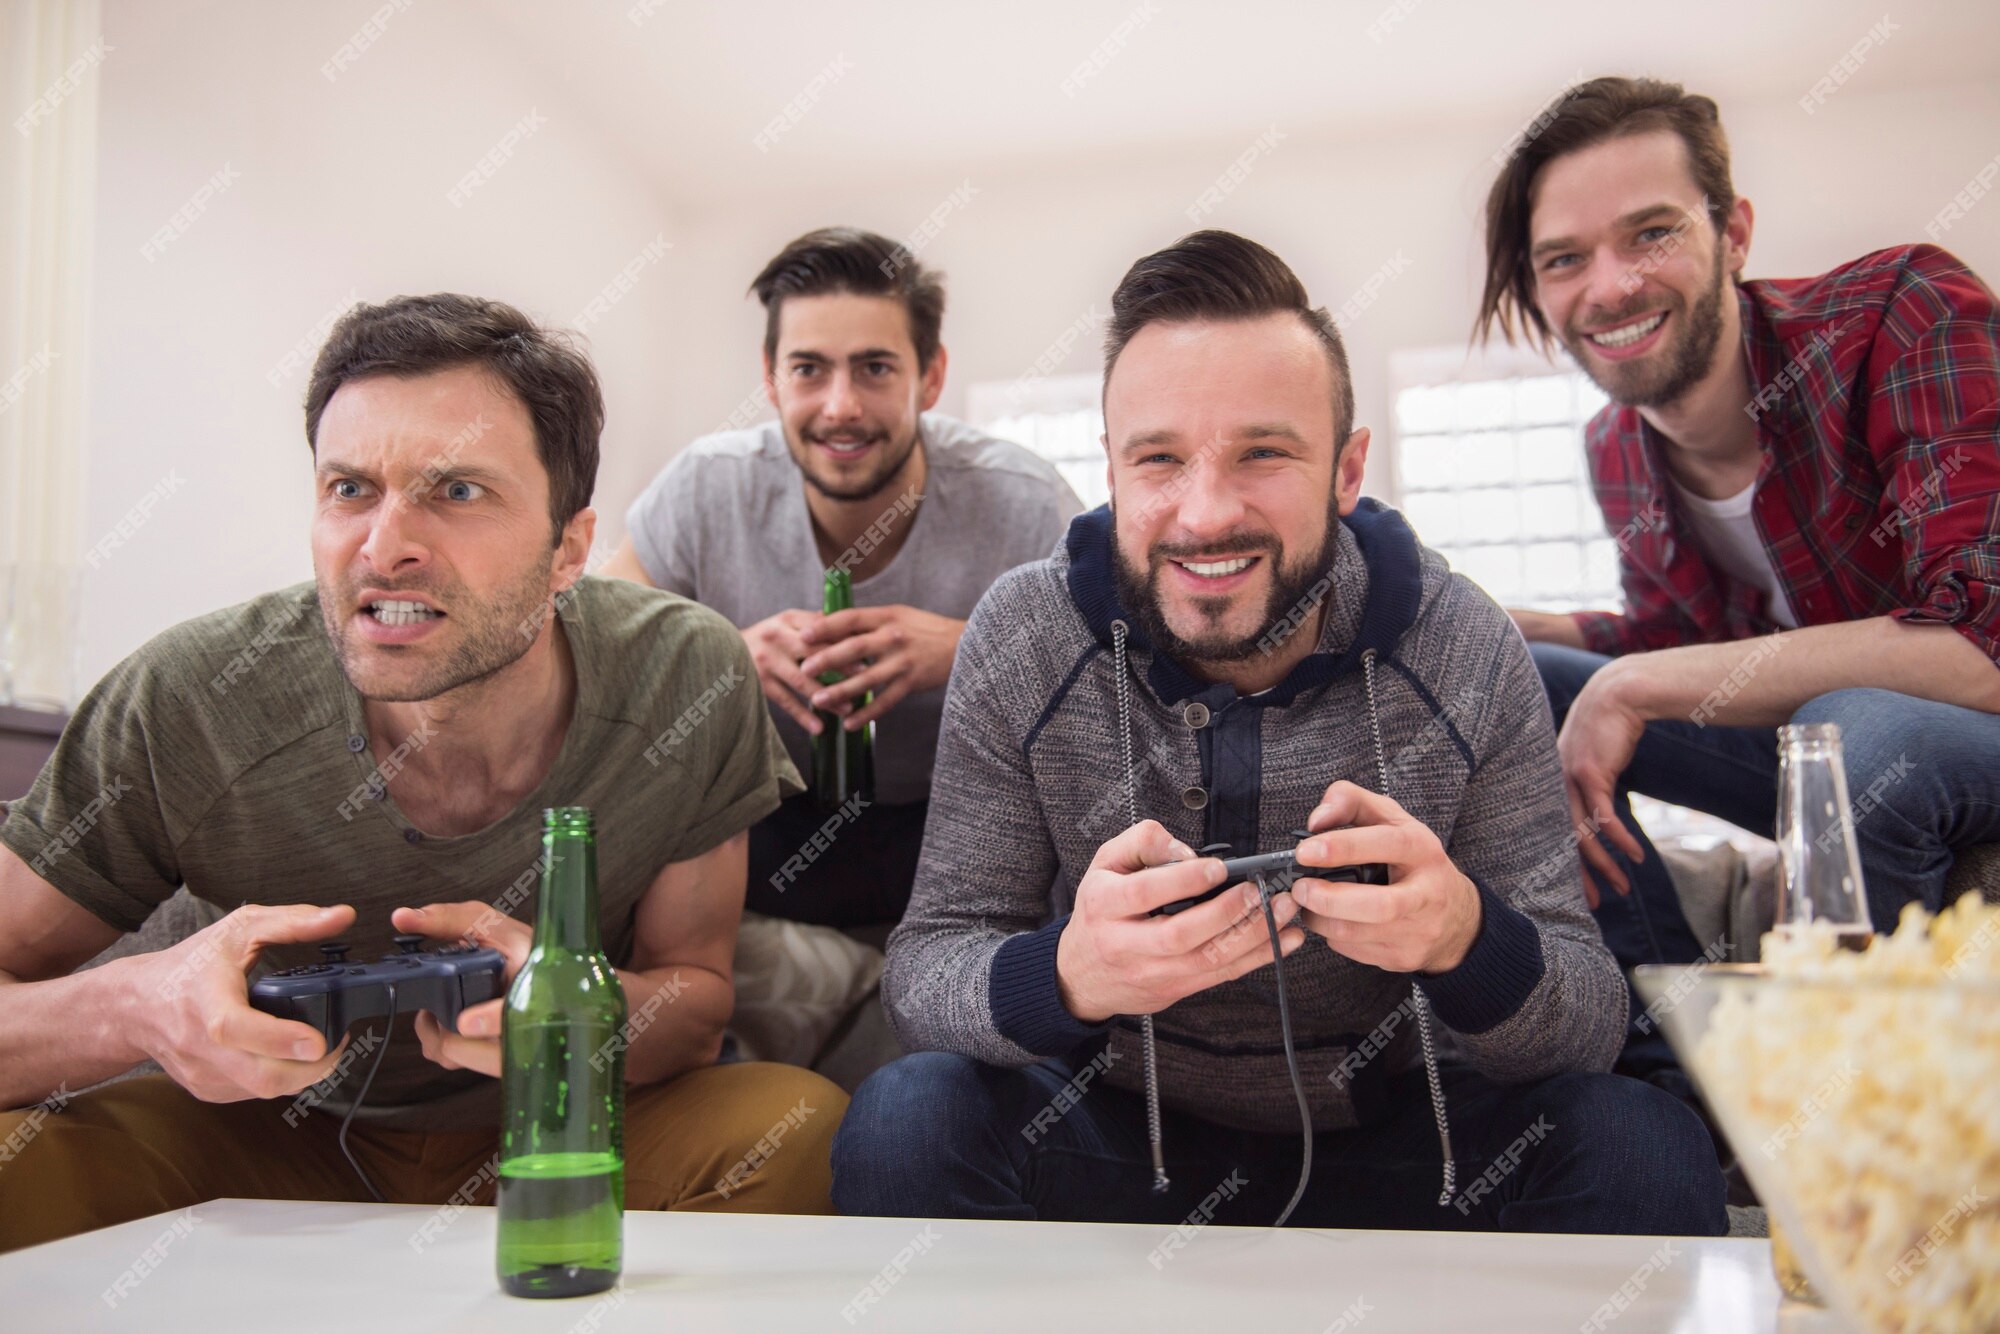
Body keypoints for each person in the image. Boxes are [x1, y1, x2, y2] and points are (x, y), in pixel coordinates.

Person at [829, 231, 1724, 1235]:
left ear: (1345, 471)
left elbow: (1586, 1016)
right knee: (903, 1120)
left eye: (1261, 453)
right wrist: (1068, 974)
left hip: (1408, 1147)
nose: (1204, 515)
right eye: (1157, 458)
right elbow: (925, 971)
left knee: (1643, 1143)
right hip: (1114, 1141)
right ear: (1112, 471)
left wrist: (1464, 936)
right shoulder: (1022, 635)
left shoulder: (1462, 641)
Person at [0, 294, 845, 1252]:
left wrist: (572, 1007)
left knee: (800, 1131)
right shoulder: (187, 699)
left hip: (556, 1131)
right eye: (350, 489)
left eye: (456, 492)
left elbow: (695, 1006)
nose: (384, 547)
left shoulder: (685, 676)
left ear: (568, 546)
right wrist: (137, 1006)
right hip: (264, 1139)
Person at [1476, 77, 2000, 1041]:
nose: (1611, 285)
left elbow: (1982, 636)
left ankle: (1849, 1111)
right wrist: (1526, 631)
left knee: (1846, 733)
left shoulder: (1900, 312)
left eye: (1653, 232)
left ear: (1736, 234)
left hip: (1937, 741)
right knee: (1518, 675)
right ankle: (1671, 1055)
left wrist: (1631, 685)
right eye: (1565, 258)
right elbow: (1690, 644)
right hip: (1820, 759)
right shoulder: (1616, 450)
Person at [604, 227, 1080, 929]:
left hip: (962, 829)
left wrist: (968, 646)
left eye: (875, 369)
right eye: (809, 370)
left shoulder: (1027, 501)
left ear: (933, 375)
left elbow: (1121, 669)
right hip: (761, 827)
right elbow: (598, 646)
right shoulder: (705, 487)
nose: (840, 407)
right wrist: (721, 653)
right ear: (770, 377)